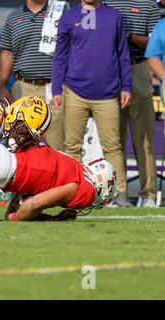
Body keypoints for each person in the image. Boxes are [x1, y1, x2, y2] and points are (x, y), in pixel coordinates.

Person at [52, 0, 132, 207]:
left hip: (107, 92)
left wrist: (127, 87)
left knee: (112, 145)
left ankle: (119, 194)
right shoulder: (69, 17)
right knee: (72, 146)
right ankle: (74, 192)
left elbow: (123, 53)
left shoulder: (114, 16)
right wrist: (56, 89)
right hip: (74, 90)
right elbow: (60, 56)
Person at [104, 0, 160, 208]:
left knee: (143, 138)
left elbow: (156, 42)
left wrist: (127, 36)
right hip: (110, 72)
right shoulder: (105, 3)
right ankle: (117, 194)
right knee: (112, 139)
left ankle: (149, 195)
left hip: (138, 68)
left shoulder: (148, 5)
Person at [0, 0, 69, 152]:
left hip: (55, 89)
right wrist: (3, 86)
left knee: (57, 144)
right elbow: (7, 52)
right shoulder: (13, 17)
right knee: (20, 144)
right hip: (23, 88)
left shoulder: (61, 12)